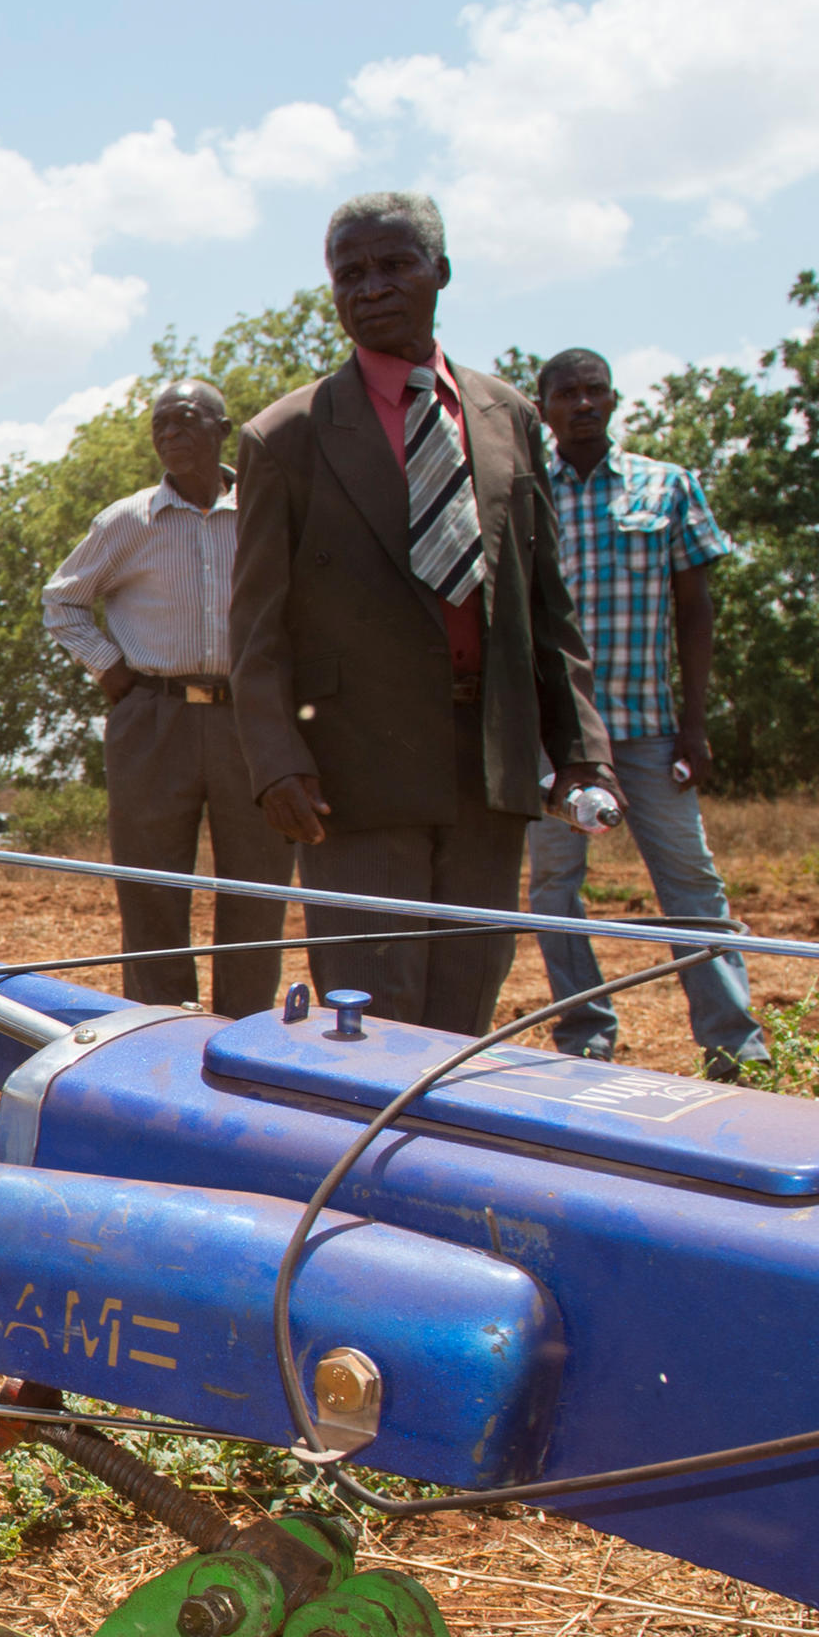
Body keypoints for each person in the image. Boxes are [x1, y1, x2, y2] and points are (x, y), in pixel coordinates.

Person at [232, 192, 606, 1035]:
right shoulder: (285, 437)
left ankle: (451, 1163)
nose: (371, 288)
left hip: (491, 764)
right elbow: (255, 629)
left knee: (465, 1011)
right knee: (376, 1018)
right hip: (353, 775)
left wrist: (580, 753)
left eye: (394, 265)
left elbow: (547, 607)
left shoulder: (508, 416)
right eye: (349, 273)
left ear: (441, 272)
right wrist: (274, 761)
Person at [522, 349, 765, 1078]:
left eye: (595, 390)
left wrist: (696, 723)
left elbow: (696, 609)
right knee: (553, 890)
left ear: (616, 399)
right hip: (559, 740)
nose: (584, 404)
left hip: (652, 727)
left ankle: (733, 1043)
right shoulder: (526, 493)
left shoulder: (668, 485)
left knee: (691, 883)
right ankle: (585, 1035)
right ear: (545, 410)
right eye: (567, 393)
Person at [43, 378, 296, 1018]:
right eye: (160, 425)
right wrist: (110, 670)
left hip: (254, 719)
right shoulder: (128, 520)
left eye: (186, 421)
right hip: (153, 720)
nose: (171, 435)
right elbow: (62, 600)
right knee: (153, 887)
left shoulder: (269, 511)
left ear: (222, 428)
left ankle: (246, 1033)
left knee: (257, 886)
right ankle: (163, 1034)